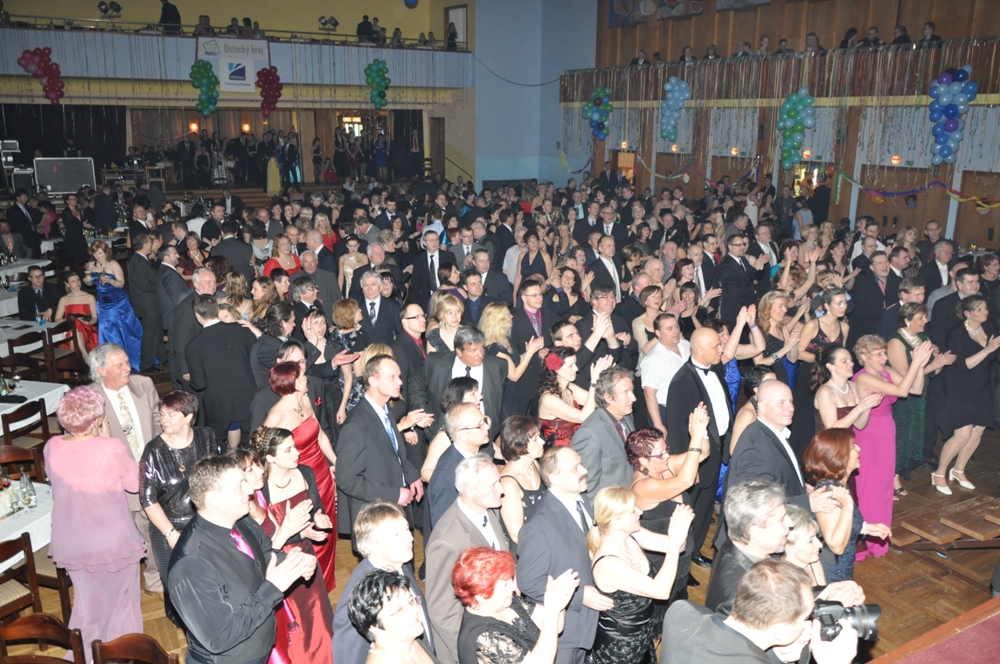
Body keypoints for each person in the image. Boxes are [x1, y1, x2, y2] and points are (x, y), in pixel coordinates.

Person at [168, 456, 318, 664]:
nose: (250, 490)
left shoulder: (239, 519)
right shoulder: (191, 564)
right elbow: (220, 637)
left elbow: (264, 552)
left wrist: (295, 562)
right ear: (213, 499)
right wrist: (272, 588)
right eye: (240, 485)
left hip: (259, 646)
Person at [46, 386, 146, 652]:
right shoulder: (110, 447)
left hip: (71, 540)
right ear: (98, 418)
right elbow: (135, 484)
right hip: (112, 541)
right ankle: (123, 653)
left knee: (87, 606)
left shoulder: (52, 446)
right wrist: (109, 438)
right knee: (123, 603)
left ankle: (85, 655)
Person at [516, 447, 613, 664]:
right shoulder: (538, 526)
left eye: (581, 464)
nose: (584, 470)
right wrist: (580, 595)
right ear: (554, 478)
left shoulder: (582, 500)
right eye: (574, 468)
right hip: (565, 634)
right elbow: (529, 582)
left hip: (590, 624)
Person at [664, 558, 862, 664]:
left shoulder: (681, 611)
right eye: (805, 617)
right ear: (780, 630)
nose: (810, 621)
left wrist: (779, 655)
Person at [248, 427, 335, 664]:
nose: (297, 452)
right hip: (281, 562)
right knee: (295, 624)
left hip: (307, 556)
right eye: (288, 450)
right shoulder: (261, 489)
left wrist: (318, 518)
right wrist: (300, 532)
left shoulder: (305, 472)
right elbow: (265, 537)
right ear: (270, 458)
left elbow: (316, 507)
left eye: (294, 446)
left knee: (319, 615)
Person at [138, 389, 221, 623]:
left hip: (205, 523)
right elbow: (147, 499)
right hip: (168, 527)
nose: (163, 420)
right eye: (162, 414)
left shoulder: (207, 437)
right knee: (177, 586)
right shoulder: (153, 451)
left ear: (189, 416)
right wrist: (170, 534)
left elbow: (220, 475)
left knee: (211, 579)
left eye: (171, 415)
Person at [88, 343, 164, 594]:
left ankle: (155, 580)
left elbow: (158, 420)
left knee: (152, 528)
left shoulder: (143, 384)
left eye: (127, 361)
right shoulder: (89, 398)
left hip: (150, 470)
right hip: (114, 478)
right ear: (101, 370)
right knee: (121, 533)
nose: (127, 367)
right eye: (119, 364)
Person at [587, 486, 693, 664]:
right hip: (620, 648)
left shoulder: (633, 534)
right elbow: (660, 591)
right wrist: (675, 541)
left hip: (643, 634)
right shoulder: (607, 564)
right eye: (632, 510)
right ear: (616, 522)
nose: (640, 511)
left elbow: (678, 546)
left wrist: (679, 527)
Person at [425, 455, 509, 664]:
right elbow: (443, 612)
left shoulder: (489, 512)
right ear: (469, 490)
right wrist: (477, 653)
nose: (501, 490)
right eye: (493, 485)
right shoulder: (446, 542)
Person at [852, 334, 931, 557]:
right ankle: (861, 542)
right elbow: (901, 391)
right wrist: (915, 363)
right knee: (868, 485)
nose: (884, 358)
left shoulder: (886, 372)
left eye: (884, 353)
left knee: (884, 484)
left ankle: (878, 539)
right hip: (868, 435)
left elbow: (915, 389)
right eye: (878, 354)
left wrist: (920, 367)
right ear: (864, 357)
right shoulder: (863, 378)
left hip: (887, 431)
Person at [263, 362, 338, 590]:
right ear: (294, 383)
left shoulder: (305, 400)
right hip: (300, 479)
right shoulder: (275, 417)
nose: (307, 378)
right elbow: (266, 453)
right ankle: (314, 585)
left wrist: (336, 462)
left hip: (321, 472)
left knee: (327, 525)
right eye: (303, 375)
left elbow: (320, 436)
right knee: (309, 529)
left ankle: (326, 579)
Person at [333, 501, 434, 664]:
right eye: (396, 534)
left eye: (406, 529)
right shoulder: (357, 603)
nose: (409, 538)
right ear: (372, 546)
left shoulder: (399, 561)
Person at [664, 328, 732, 568]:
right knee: (689, 511)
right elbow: (676, 429)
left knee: (704, 509)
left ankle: (695, 552)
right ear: (700, 349)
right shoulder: (681, 382)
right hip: (696, 458)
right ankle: (683, 561)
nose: (721, 349)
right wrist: (689, 466)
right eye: (716, 346)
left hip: (716, 450)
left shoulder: (716, 369)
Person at [337, 355, 423, 541]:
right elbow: (347, 480)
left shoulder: (385, 411)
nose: (400, 382)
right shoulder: (356, 425)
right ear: (373, 381)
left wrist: (411, 474)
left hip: (392, 510)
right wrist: (394, 495)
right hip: (375, 517)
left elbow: (392, 451)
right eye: (392, 377)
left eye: (399, 376)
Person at [454, 547, 578, 664]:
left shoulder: (507, 602)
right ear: (481, 595)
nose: (513, 587)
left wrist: (559, 598)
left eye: (511, 579)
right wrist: (552, 610)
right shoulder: (483, 636)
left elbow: (556, 626)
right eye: (505, 585)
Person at [804, 428, 891, 582]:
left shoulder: (839, 485)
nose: (859, 448)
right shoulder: (830, 493)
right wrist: (848, 506)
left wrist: (864, 528)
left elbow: (838, 524)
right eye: (852, 447)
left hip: (842, 568)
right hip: (831, 573)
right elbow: (836, 546)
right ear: (838, 456)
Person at [934, 296, 1000, 494]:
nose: (984, 312)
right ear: (967, 313)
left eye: (985, 308)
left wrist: (992, 350)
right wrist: (988, 350)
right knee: (962, 434)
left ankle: (958, 470)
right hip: (960, 386)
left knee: (978, 430)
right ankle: (939, 473)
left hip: (982, 385)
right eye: (979, 309)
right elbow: (963, 365)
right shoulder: (957, 333)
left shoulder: (990, 328)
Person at [887, 304, 955, 484]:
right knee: (901, 436)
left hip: (922, 394)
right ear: (907, 320)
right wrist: (934, 364)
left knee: (914, 435)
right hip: (905, 398)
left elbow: (931, 372)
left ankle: (903, 470)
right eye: (921, 318)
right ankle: (893, 477)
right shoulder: (896, 342)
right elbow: (904, 377)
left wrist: (940, 361)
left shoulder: (923, 338)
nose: (926, 321)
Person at [186, 295, 258, 448]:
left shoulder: (194, 346)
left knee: (215, 446)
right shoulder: (243, 331)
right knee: (254, 445)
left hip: (218, 404)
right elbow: (256, 364)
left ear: (197, 315)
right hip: (248, 398)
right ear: (216, 310)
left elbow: (199, 384)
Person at [571, 365, 638, 505]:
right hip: (612, 507)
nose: (633, 398)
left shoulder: (626, 416)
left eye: (632, 390)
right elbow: (588, 486)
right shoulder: (590, 433)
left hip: (632, 500)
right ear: (608, 397)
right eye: (625, 393)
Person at [346, 569, 439, 664]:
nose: (413, 610)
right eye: (398, 610)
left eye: (411, 601)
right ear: (376, 627)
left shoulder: (408, 638)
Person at [428, 403, 493, 528]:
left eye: (484, 421)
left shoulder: (475, 455)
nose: (486, 427)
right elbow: (444, 529)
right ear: (461, 435)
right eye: (479, 425)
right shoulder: (447, 478)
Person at [82, 242, 142, 371]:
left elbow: (121, 283)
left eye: (100, 253)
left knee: (125, 331)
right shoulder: (91, 265)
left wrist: (110, 280)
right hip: (103, 303)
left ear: (106, 252)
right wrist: (87, 281)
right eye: (95, 253)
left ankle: (132, 360)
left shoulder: (113, 264)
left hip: (119, 302)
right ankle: (110, 363)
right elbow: (90, 283)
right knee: (106, 331)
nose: (97, 256)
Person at [538, 347, 609, 447]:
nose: (576, 368)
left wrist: (604, 377)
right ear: (557, 369)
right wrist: (594, 382)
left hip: (577, 444)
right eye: (571, 366)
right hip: (559, 452)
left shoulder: (569, 388)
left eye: (575, 364)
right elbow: (584, 417)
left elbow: (599, 401)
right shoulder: (549, 399)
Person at [498, 416, 548, 545]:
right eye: (535, 439)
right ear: (518, 446)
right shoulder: (508, 483)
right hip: (529, 547)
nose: (542, 442)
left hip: (545, 536)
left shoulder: (534, 464)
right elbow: (517, 535)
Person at [55, 271, 99, 354]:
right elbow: (57, 319)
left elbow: (95, 318)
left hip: (87, 327)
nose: (77, 283)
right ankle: (84, 354)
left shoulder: (90, 297)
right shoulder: (64, 299)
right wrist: (72, 322)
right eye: (73, 281)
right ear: (67, 284)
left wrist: (88, 323)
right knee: (75, 324)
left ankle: (77, 355)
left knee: (76, 325)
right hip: (70, 327)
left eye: (78, 280)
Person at [781, 504, 827, 585]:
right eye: (810, 541)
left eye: (816, 537)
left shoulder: (813, 562)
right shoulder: (782, 580)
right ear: (789, 549)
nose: (820, 545)